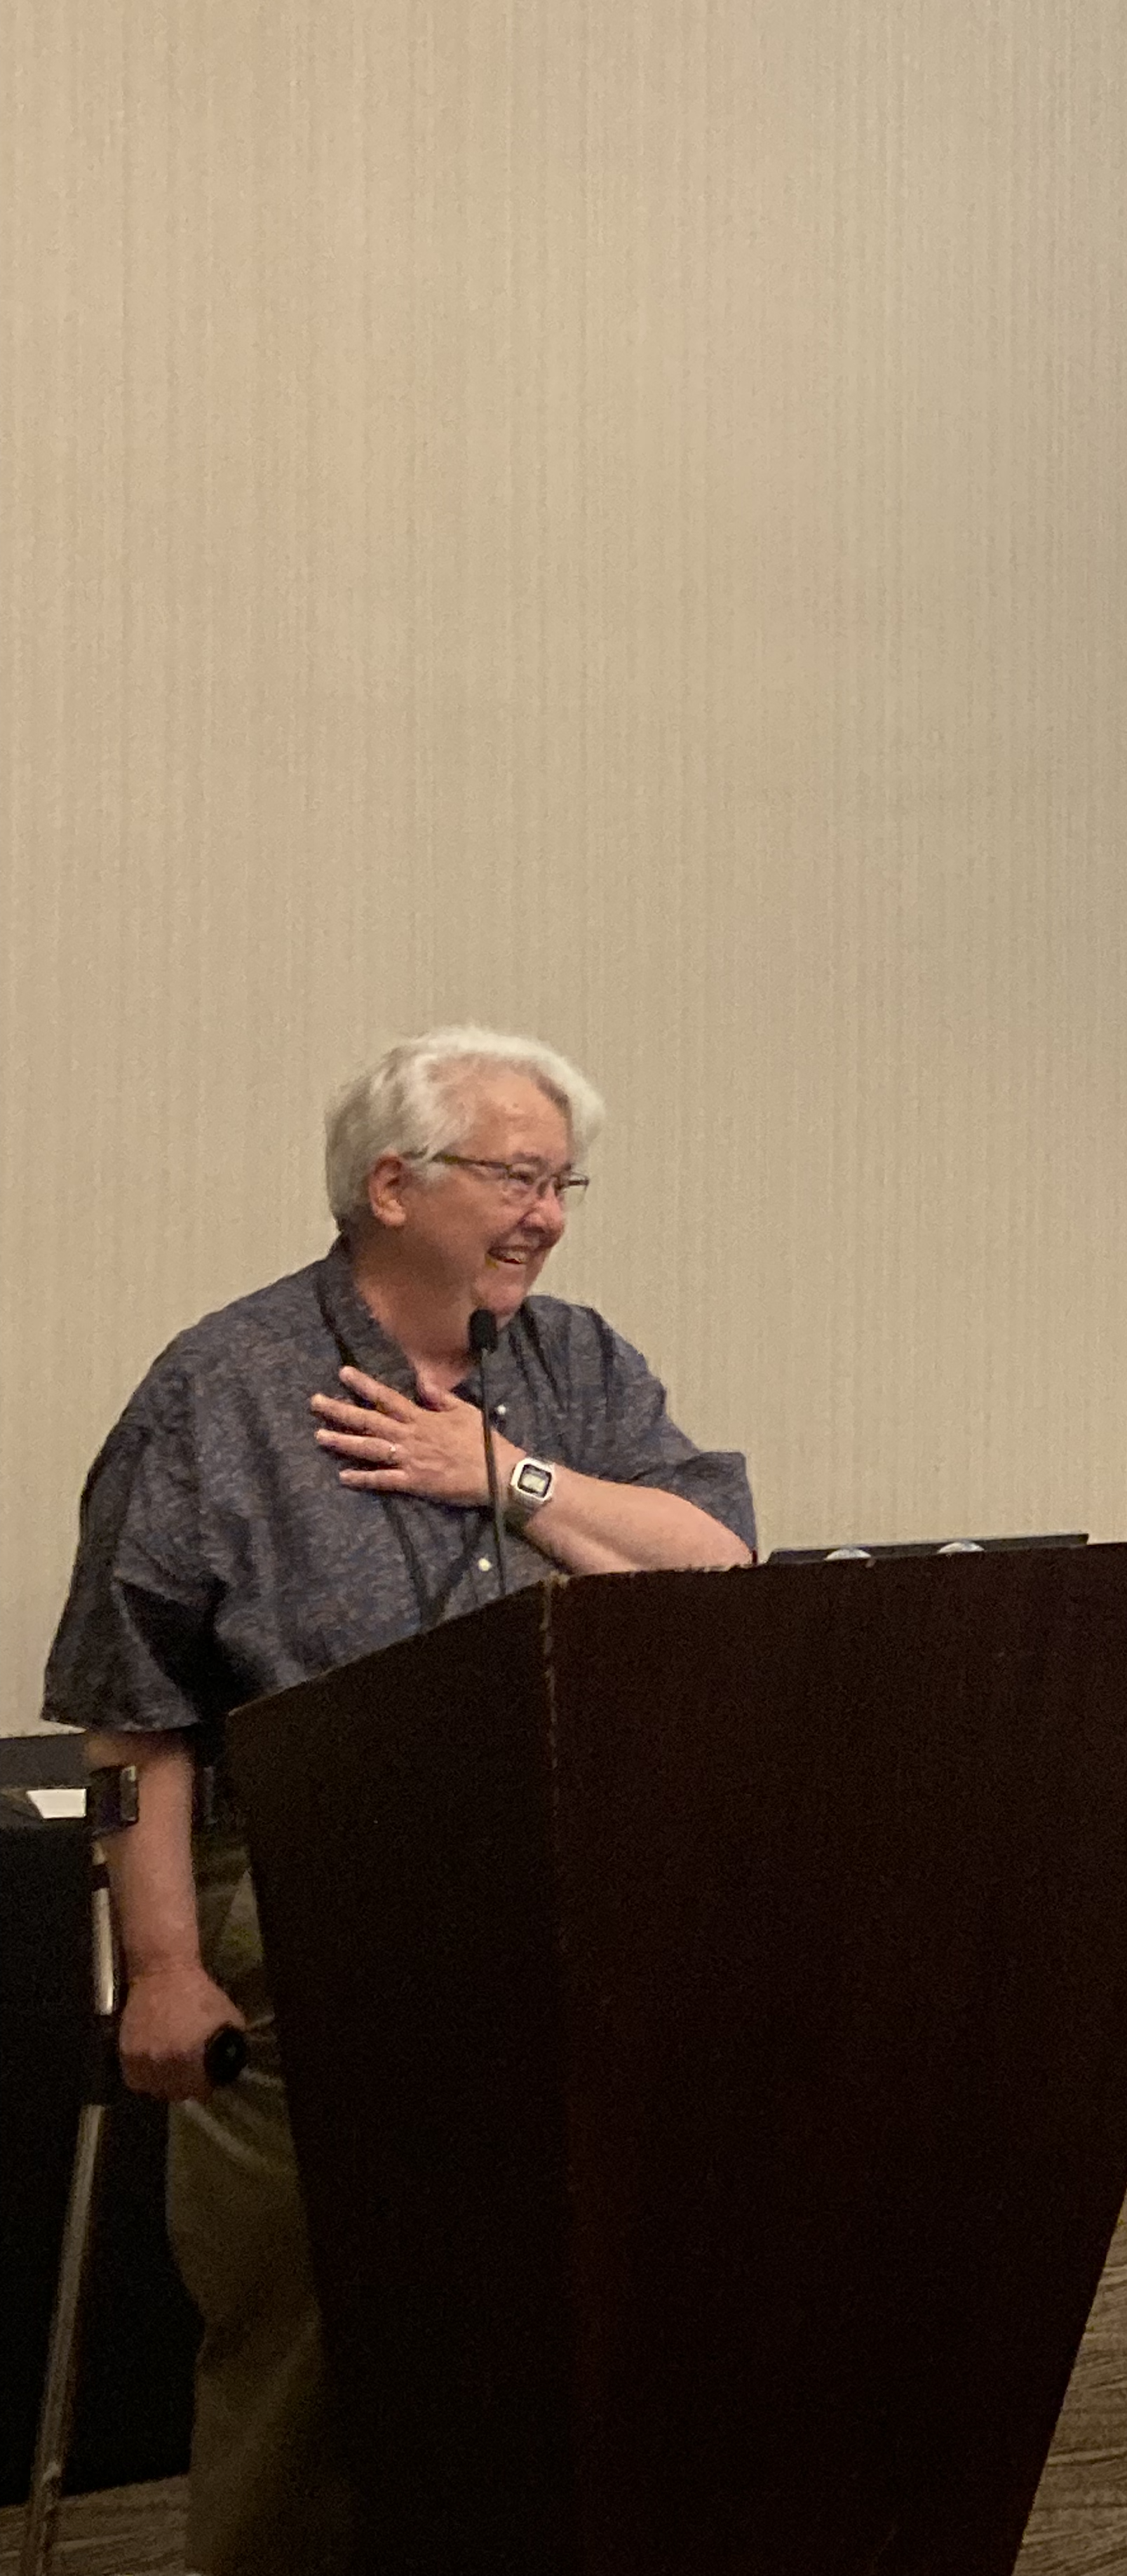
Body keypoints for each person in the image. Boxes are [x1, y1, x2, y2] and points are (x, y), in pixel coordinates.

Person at [41, 1027, 755, 2576]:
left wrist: (512, 1478)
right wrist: (161, 1970)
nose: (549, 1212)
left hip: (573, 1915)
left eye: (564, 1183)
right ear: (390, 1184)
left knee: (551, 2332)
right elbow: (133, 1718)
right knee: (306, 2345)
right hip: (303, 1927)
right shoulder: (220, 1392)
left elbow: (720, 1568)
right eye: (517, 1175)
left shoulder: (579, 1367)